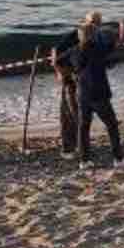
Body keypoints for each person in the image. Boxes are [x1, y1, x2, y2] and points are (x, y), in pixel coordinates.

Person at [69, 15, 124, 170]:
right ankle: (118, 159)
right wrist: (123, 28)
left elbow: (68, 65)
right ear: (93, 35)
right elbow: (116, 46)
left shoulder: (74, 51)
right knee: (112, 125)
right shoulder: (98, 48)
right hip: (99, 92)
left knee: (84, 127)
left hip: (82, 93)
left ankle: (84, 161)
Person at [49, 12, 99, 160]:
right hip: (70, 79)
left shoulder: (94, 36)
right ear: (85, 22)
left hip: (83, 81)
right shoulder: (74, 35)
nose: (95, 26)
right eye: (92, 22)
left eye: (98, 23)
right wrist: (62, 74)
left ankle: (81, 146)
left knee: (82, 114)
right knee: (69, 114)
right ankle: (68, 148)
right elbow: (55, 52)